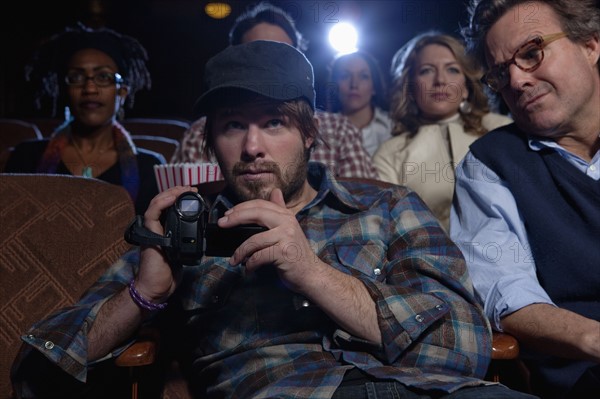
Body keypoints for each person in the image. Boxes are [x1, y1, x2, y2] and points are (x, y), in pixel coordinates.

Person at [10, 40, 538, 399]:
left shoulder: (388, 205)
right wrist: (146, 294)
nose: (253, 147)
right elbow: (37, 370)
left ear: (310, 132)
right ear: (211, 140)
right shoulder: (186, 232)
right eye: (234, 125)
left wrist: (311, 271)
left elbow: (468, 347)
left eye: (274, 122)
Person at [449, 1, 600, 398]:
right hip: (583, 373)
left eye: (531, 54)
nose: (516, 81)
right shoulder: (488, 164)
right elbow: (509, 297)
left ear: (591, 44)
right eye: (501, 73)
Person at [171, 1, 379, 180]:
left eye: (281, 54)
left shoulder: (338, 130)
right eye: (257, 53)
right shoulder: (200, 134)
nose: (251, 148)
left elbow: (361, 203)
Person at [4, 22, 164, 214]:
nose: (89, 89)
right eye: (76, 78)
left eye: (103, 77)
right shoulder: (26, 158)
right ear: (65, 91)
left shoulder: (149, 167)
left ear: (121, 93)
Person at [371, 32, 512, 231]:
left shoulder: (502, 130)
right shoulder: (389, 154)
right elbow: (383, 226)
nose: (440, 80)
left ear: (465, 86)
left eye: (452, 70)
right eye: (426, 71)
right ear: (410, 87)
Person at [326, 50, 393, 156]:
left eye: (363, 76)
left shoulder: (392, 128)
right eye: (345, 76)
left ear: (374, 87)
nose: (354, 84)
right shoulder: (323, 131)